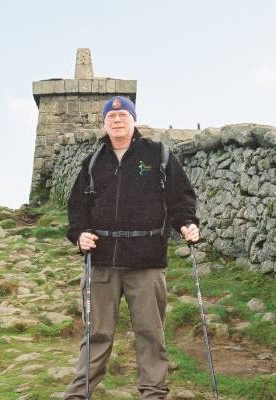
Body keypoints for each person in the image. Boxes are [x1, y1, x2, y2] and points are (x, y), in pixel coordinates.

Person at [63, 96, 199, 399]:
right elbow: (77, 208)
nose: (117, 120)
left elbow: (181, 197)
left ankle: (153, 393)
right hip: (100, 263)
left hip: (146, 262)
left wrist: (186, 223)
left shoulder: (158, 155)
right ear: (104, 123)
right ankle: (78, 394)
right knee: (95, 334)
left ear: (133, 119)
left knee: (151, 333)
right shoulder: (93, 162)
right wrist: (79, 234)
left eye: (123, 115)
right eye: (111, 117)